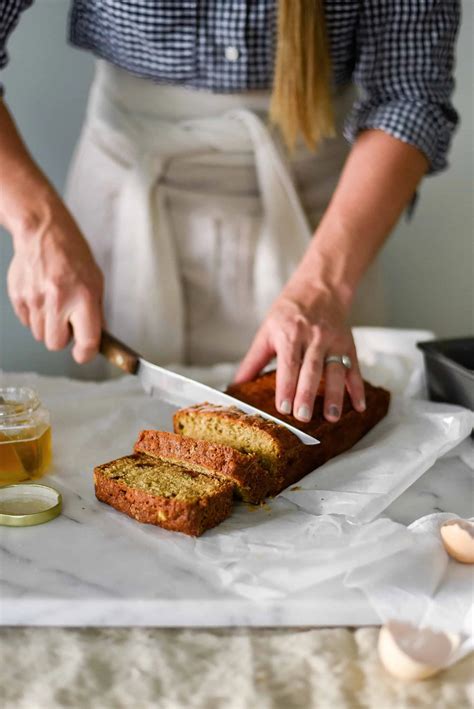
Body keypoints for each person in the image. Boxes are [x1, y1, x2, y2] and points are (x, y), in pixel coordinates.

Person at [0, 1, 460, 423]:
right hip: (126, 204)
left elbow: (410, 94)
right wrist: (36, 224)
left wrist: (323, 286)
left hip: (325, 225)